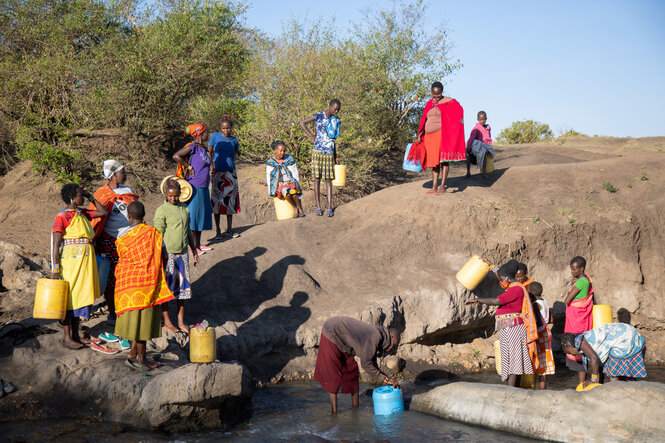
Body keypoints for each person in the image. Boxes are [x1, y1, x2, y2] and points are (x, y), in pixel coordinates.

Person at [52, 183, 116, 354]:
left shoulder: (83, 213)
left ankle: (75, 334)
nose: (83, 197)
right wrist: (55, 268)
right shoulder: (62, 217)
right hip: (71, 263)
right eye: (80, 194)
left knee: (80, 298)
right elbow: (56, 244)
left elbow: (103, 212)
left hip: (85, 262)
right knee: (70, 298)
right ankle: (67, 337)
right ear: (72, 197)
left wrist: (90, 196)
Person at [114, 202, 175, 370]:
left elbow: (122, 257)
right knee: (141, 323)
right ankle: (141, 359)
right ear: (144, 215)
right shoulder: (153, 233)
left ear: (128, 217)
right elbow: (164, 255)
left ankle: (133, 353)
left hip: (126, 283)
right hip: (145, 284)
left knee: (136, 321)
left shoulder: (121, 235)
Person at [466, 260, 538, 387]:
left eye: (502, 278)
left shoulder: (515, 289)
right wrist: (492, 266)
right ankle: (514, 388)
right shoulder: (512, 286)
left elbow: (495, 301)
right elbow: (501, 275)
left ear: (507, 278)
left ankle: (510, 389)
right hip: (509, 327)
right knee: (511, 359)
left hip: (513, 328)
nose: (500, 281)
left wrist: (478, 299)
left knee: (513, 360)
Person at [313, 316, 400, 414]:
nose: (391, 348)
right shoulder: (375, 336)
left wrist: (386, 378)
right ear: (391, 336)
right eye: (394, 344)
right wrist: (385, 380)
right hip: (332, 331)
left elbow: (372, 361)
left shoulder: (379, 336)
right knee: (333, 376)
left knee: (352, 371)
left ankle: (355, 410)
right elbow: (366, 364)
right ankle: (334, 414)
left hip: (344, 341)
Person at [89, 159, 139, 329]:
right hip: (109, 242)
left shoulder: (128, 191)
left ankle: (127, 308)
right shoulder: (101, 194)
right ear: (113, 175)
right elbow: (94, 219)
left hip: (129, 241)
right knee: (111, 280)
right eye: (122, 172)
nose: (125, 174)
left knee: (129, 278)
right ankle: (112, 312)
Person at [153, 178, 199, 334]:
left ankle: (180, 321)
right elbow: (158, 234)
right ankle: (166, 321)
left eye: (175, 195)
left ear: (180, 194)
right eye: (170, 196)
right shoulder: (162, 210)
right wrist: (162, 253)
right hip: (168, 255)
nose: (173, 198)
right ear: (165, 194)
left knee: (182, 291)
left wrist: (194, 250)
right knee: (167, 290)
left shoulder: (184, 209)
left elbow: (188, 232)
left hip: (183, 254)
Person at [413, 81, 465, 194]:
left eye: (438, 94)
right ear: (431, 92)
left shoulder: (450, 102)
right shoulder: (429, 103)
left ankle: (442, 186)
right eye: (433, 94)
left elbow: (459, 111)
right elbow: (424, 118)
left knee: (443, 160)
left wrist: (451, 126)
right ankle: (434, 186)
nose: (436, 96)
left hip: (442, 134)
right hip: (429, 136)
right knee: (433, 162)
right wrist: (421, 132)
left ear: (442, 92)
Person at [562, 323, 647, 388]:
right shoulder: (583, 342)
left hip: (625, 338)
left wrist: (592, 380)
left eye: (569, 352)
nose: (572, 355)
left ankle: (613, 398)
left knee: (613, 374)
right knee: (619, 374)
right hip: (625, 333)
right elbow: (597, 367)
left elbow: (594, 359)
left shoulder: (581, 343)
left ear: (570, 345)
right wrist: (597, 385)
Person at [173, 123, 213, 255]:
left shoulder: (203, 149)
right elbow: (176, 156)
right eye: (206, 132)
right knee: (194, 217)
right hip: (194, 186)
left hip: (204, 186)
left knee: (201, 216)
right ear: (200, 134)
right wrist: (187, 167)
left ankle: (198, 245)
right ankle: (192, 247)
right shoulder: (192, 147)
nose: (208, 134)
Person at [299, 99, 341, 217]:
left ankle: (329, 208)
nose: (336, 111)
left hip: (329, 153)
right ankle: (318, 207)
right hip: (317, 151)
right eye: (335, 109)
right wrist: (311, 135)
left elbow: (333, 140)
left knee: (328, 180)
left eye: (338, 110)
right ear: (330, 106)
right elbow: (302, 123)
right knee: (317, 179)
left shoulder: (335, 121)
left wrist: (335, 156)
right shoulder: (319, 116)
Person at [208, 115, 241, 239]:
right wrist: (211, 167)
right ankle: (218, 231)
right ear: (220, 128)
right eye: (223, 128)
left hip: (230, 172)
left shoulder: (234, 140)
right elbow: (209, 152)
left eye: (228, 128)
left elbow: (236, 152)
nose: (226, 131)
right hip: (218, 172)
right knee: (217, 201)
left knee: (230, 201)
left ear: (231, 128)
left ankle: (230, 229)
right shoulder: (215, 137)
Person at [563, 256, 594, 385]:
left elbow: (567, 300)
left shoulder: (581, 282)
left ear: (582, 268)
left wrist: (572, 284)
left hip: (576, 320)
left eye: (575, 269)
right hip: (580, 319)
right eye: (571, 269)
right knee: (582, 348)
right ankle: (586, 380)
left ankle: (582, 383)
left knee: (577, 347)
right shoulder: (586, 280)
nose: (572, 272)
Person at [266, 140, 304, 217]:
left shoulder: (289, 159)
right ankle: (295, 208)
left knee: (294, 191)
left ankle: (300, 209)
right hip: (281, 183)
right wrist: (277, 186)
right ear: (275, 150)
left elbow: (294, 172)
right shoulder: (270, 162)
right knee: (285, 191)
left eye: (284, 151)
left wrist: (293, 181)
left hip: (290, 181)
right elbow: (270, 177)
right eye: (280, 151)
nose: (282, 153)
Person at [528, 282, 555, 389]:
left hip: (538, 334)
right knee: (544, 363)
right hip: (546, 332)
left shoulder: (535, 304)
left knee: (535, 360)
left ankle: (533, 388)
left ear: (530, 292)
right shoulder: (545, 301)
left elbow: (538, 321)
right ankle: (542, 389)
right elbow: (551, 319)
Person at [465, 111, 495, 179]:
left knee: (485, 151)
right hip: (477, 146)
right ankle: (468, 172)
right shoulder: (476, 128)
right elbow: (471, 138)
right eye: (480, 119)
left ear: (486, 118)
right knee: (468, 154)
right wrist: (469, 147)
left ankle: (484, 173)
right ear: (478, 119)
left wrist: (489, 146)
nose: (482, 121)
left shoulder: (488, 128)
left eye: (483, 119)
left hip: (485, 146)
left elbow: (489, 138)